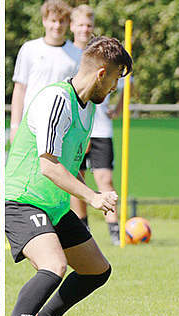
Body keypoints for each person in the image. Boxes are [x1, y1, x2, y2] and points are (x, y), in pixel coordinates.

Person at [3, 37, 132, 316]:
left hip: (54, 206)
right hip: (23, 200)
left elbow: (72, 162)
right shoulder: (57, 100)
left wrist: (88, 188)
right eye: (117, 77)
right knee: (54, 267)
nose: (116, 86)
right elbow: (48, 165)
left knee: (96, 270)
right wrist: (93, 197)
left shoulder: (88, 107)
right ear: (102, 73)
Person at [69, 5, 126, 246]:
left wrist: (118, 109)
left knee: (105, 180)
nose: (84, 29)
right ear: (72, 26)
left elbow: (124, 85)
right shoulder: (66, 54)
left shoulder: (104, 55)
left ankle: (115, 230)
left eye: (88, 25)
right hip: (76, 129)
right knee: (76, 179)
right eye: (80, 24)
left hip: (101, 128)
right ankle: (82, 230)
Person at [9, 0, 81, 146]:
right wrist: (14, 126)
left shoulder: (77, 54)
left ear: (68, 23)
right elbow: (20, 89)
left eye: (61, 21)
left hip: (62, 129)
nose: (57, 26)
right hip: (29, 126)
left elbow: (79, 96)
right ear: (44, 21)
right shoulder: (29, 49)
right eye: (53, 20)